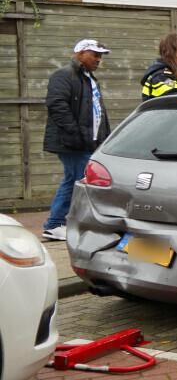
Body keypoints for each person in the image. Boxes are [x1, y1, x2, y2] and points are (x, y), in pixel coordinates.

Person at [42, 39, 112, 241]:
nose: (98, 59)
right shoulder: (64, 75)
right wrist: (76, 133)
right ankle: (55, 224)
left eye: (100, 56)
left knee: (77, 180)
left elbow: (97, 113)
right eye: (94, 54)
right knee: (76, 181)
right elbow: (57, 106)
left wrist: (103, 139)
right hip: (73, 142)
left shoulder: (88, 78)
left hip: (88, 141)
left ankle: (66, 222)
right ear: (80, 53)